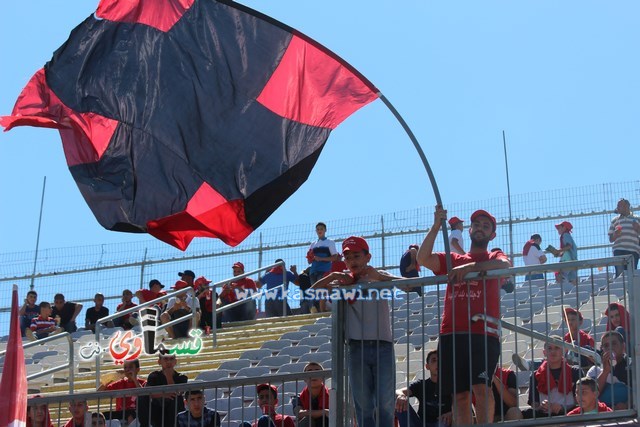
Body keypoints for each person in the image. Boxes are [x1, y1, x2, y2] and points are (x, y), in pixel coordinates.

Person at [417, 207, 511, 425]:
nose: (480, 228)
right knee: (459, 396)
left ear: (492, 235)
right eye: (477, 224)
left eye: (486, 226)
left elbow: (505, 266)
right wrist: (435, 227)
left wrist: (471, 267)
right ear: (469, 230)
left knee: (481, 388)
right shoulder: (453, 259)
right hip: (451, 334)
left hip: (483, 333)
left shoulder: (494, 255)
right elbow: (423, 258)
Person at [312, 236, 398, 427]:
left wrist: (379, 277)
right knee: (363, 405)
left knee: (385, 402)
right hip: (356, 347)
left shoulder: (378, 274)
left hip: (382, 345)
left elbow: (410, 284)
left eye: (357, 256)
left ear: (368, 257)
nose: (352, 261)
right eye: (348, 257)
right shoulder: (344, 281)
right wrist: (333, 277)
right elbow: (312, 291)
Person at [522, 338, 582, 418]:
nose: (553, 351)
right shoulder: (535, 375)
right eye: (549, 348)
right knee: (524, 413)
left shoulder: (575, 372)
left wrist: (562, 408)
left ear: (564, 351)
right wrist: (542, 406)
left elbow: (580, 400)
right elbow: (534, 404)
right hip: (545, 414)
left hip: (569, 413)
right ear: (544, 352)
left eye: (557, 348)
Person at [394, 349, 452, 427]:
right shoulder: (421, 384)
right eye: (434, 360)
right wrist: (401, 396)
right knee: (400, 402)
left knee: (443, 422)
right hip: (420, 424)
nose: (438, 363)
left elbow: (465, 406)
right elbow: (397, 391)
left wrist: (452, 413)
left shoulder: (451, 385)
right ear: (427, 366)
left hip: (442, 423)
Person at [586, 331, 631, 410]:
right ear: (602, 349)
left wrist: (627, 404)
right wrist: (605, 372)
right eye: (606, 345)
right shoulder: (595, 371)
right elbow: (590, 396)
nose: (610, 348)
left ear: (623, 347)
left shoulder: (632, 366)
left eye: (614, 343)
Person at [143, 354, 188, 427]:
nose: (169, 361)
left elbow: (178, 392)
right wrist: (164, 394)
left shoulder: (182, 377)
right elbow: (149, 393)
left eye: (171, 359)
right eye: (166, 359)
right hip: (158, 412)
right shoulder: (153, 376)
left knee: (174, 398)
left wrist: (168, 376)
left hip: (175, 412)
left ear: (175, 361)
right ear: (159, 361)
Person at [608, 198, 640, 277]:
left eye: (620, 206)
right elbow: (610, 239)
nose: (618, 208)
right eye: (617, 206)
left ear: (627, 206)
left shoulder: (637, 219)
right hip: (619, 250)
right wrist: (615, 234)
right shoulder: (614, 220)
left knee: (631, 275)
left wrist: (638, 228)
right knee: (620, 275)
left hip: (633, 250)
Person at [292, 362, 330, 427]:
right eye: (309, 372)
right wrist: (324, 412)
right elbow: (299, 413)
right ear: (304, 379)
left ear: (323, 377)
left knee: (324, 420)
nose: (313, 374)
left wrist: (307, 413)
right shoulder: (298, 398)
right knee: (307, 420)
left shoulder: (332, 395)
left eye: (317, 371)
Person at [548, 221, 578, 286]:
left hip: (567, 260)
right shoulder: (568, 235)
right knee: (572, 280)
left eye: (559, 228)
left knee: (559, 276)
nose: (558, 230)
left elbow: (568, 246)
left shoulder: (565, 235)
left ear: (564, 227)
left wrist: (558, 251)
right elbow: (567, 249)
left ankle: (563, 290)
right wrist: (558, 253)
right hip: (573, 261)